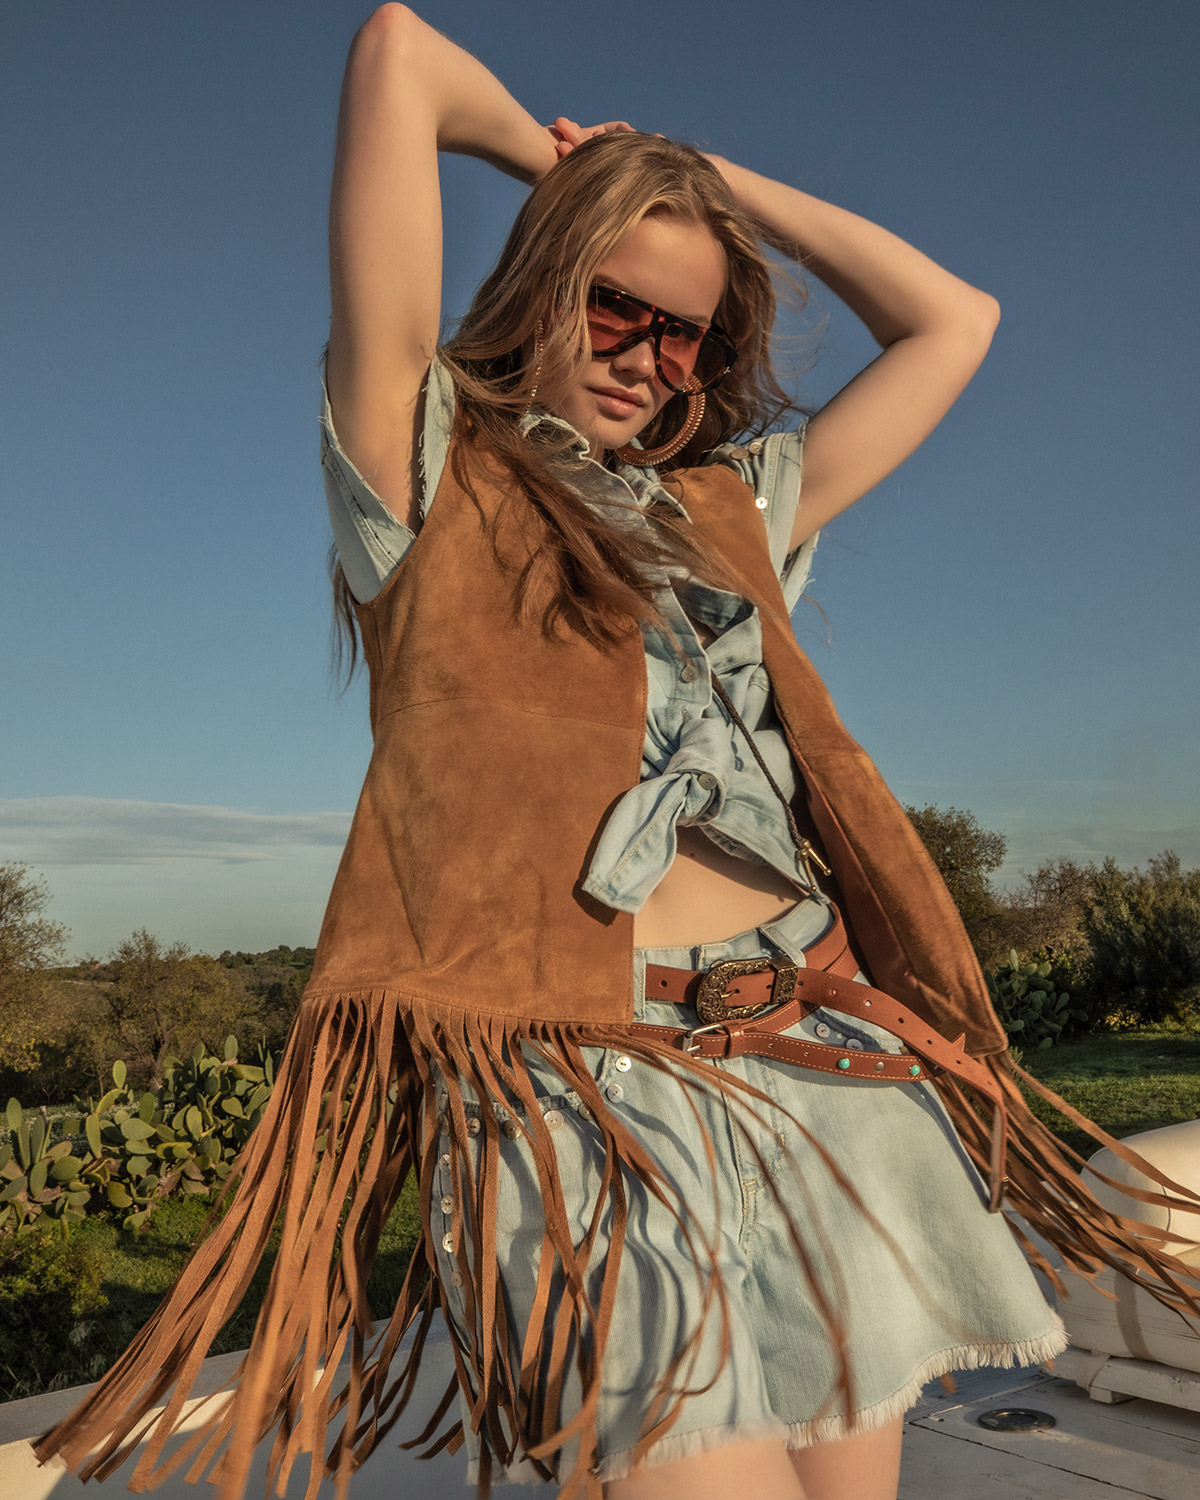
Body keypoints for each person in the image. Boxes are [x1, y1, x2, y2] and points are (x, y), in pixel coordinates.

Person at [34, 8, 1200, 1500]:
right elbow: (399, 51)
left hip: (822, 1053)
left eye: (688, 331)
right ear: (545, 280)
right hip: (586, 1102)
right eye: (614, 306)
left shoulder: (730, 507)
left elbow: (954, 320)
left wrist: (706, 181)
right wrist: (571, 163)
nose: (650, 358)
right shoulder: (421, 466)